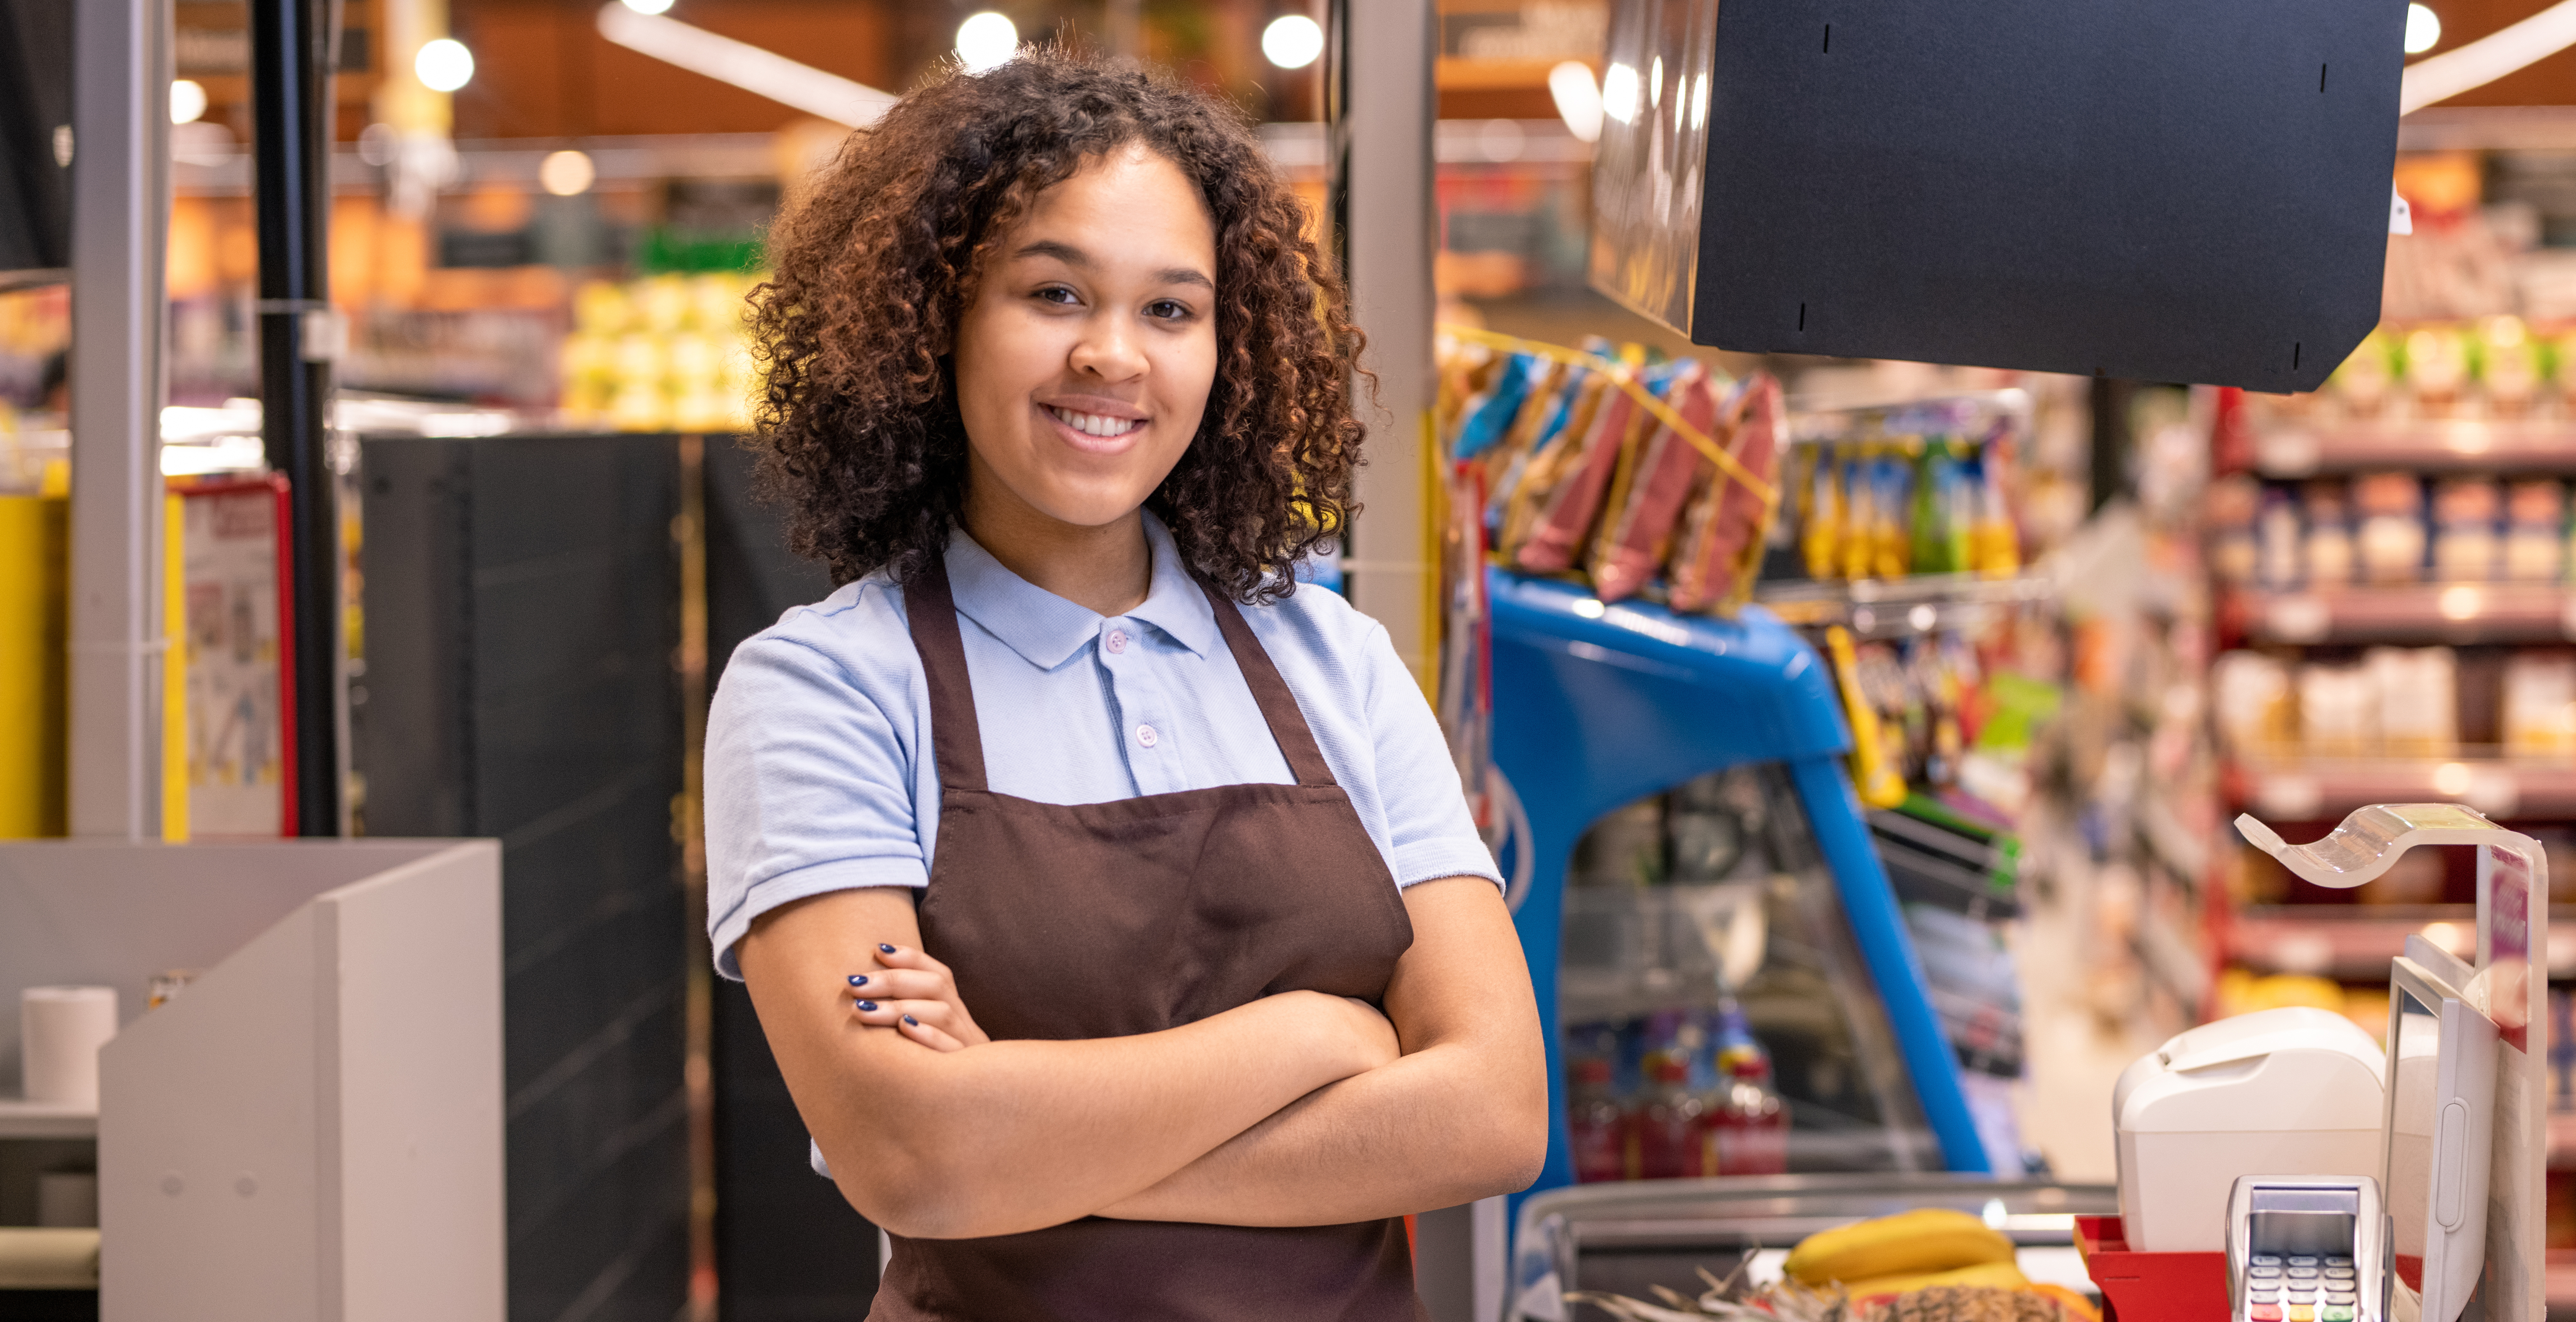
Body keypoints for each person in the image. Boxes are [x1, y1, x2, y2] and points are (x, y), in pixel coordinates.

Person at [703, 46, 1548, 1320]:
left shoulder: (1334, 664)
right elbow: (914, 1154)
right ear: (938, 320)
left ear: (1229, 346)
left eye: (1169, 309)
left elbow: (1491, 1114)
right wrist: (1319, 1035)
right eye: (1053, 293)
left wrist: (1026, 1131)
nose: (1112, 355)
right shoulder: (825, 690)